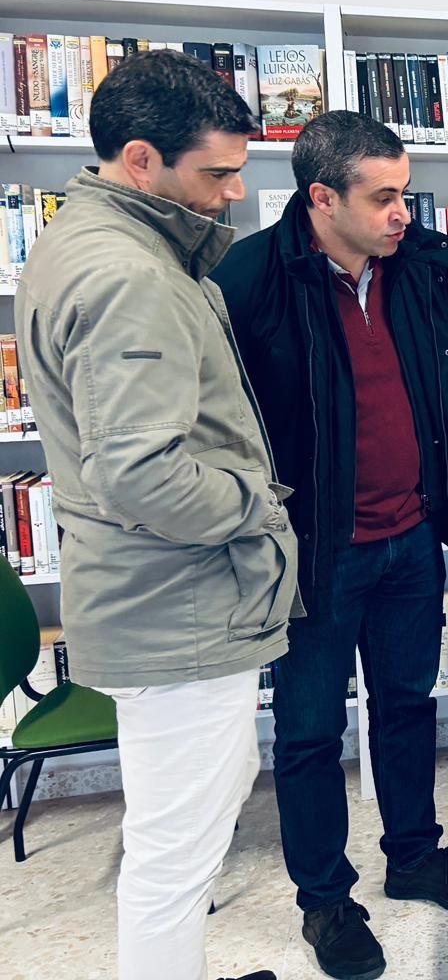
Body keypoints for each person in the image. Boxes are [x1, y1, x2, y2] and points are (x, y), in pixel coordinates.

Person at [14, 49, 291, 980]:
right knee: (178, 852)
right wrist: (256, 500)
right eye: (216, 172)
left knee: (185, 827)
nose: (234, 193)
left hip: (157, 596)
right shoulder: (129, 274)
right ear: (141, 159)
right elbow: (144, 475)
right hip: (174, 606)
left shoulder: (92, 240)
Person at [213, 112, 448, 980]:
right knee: (306, 734)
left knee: (408, 704)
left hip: (409, 535)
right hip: (315, 552)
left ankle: (412, 856)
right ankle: (326, 902)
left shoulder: (414, 263)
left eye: (404, 194)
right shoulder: (253, 275)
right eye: (383, 198)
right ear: (321, 197)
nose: (401, 213)